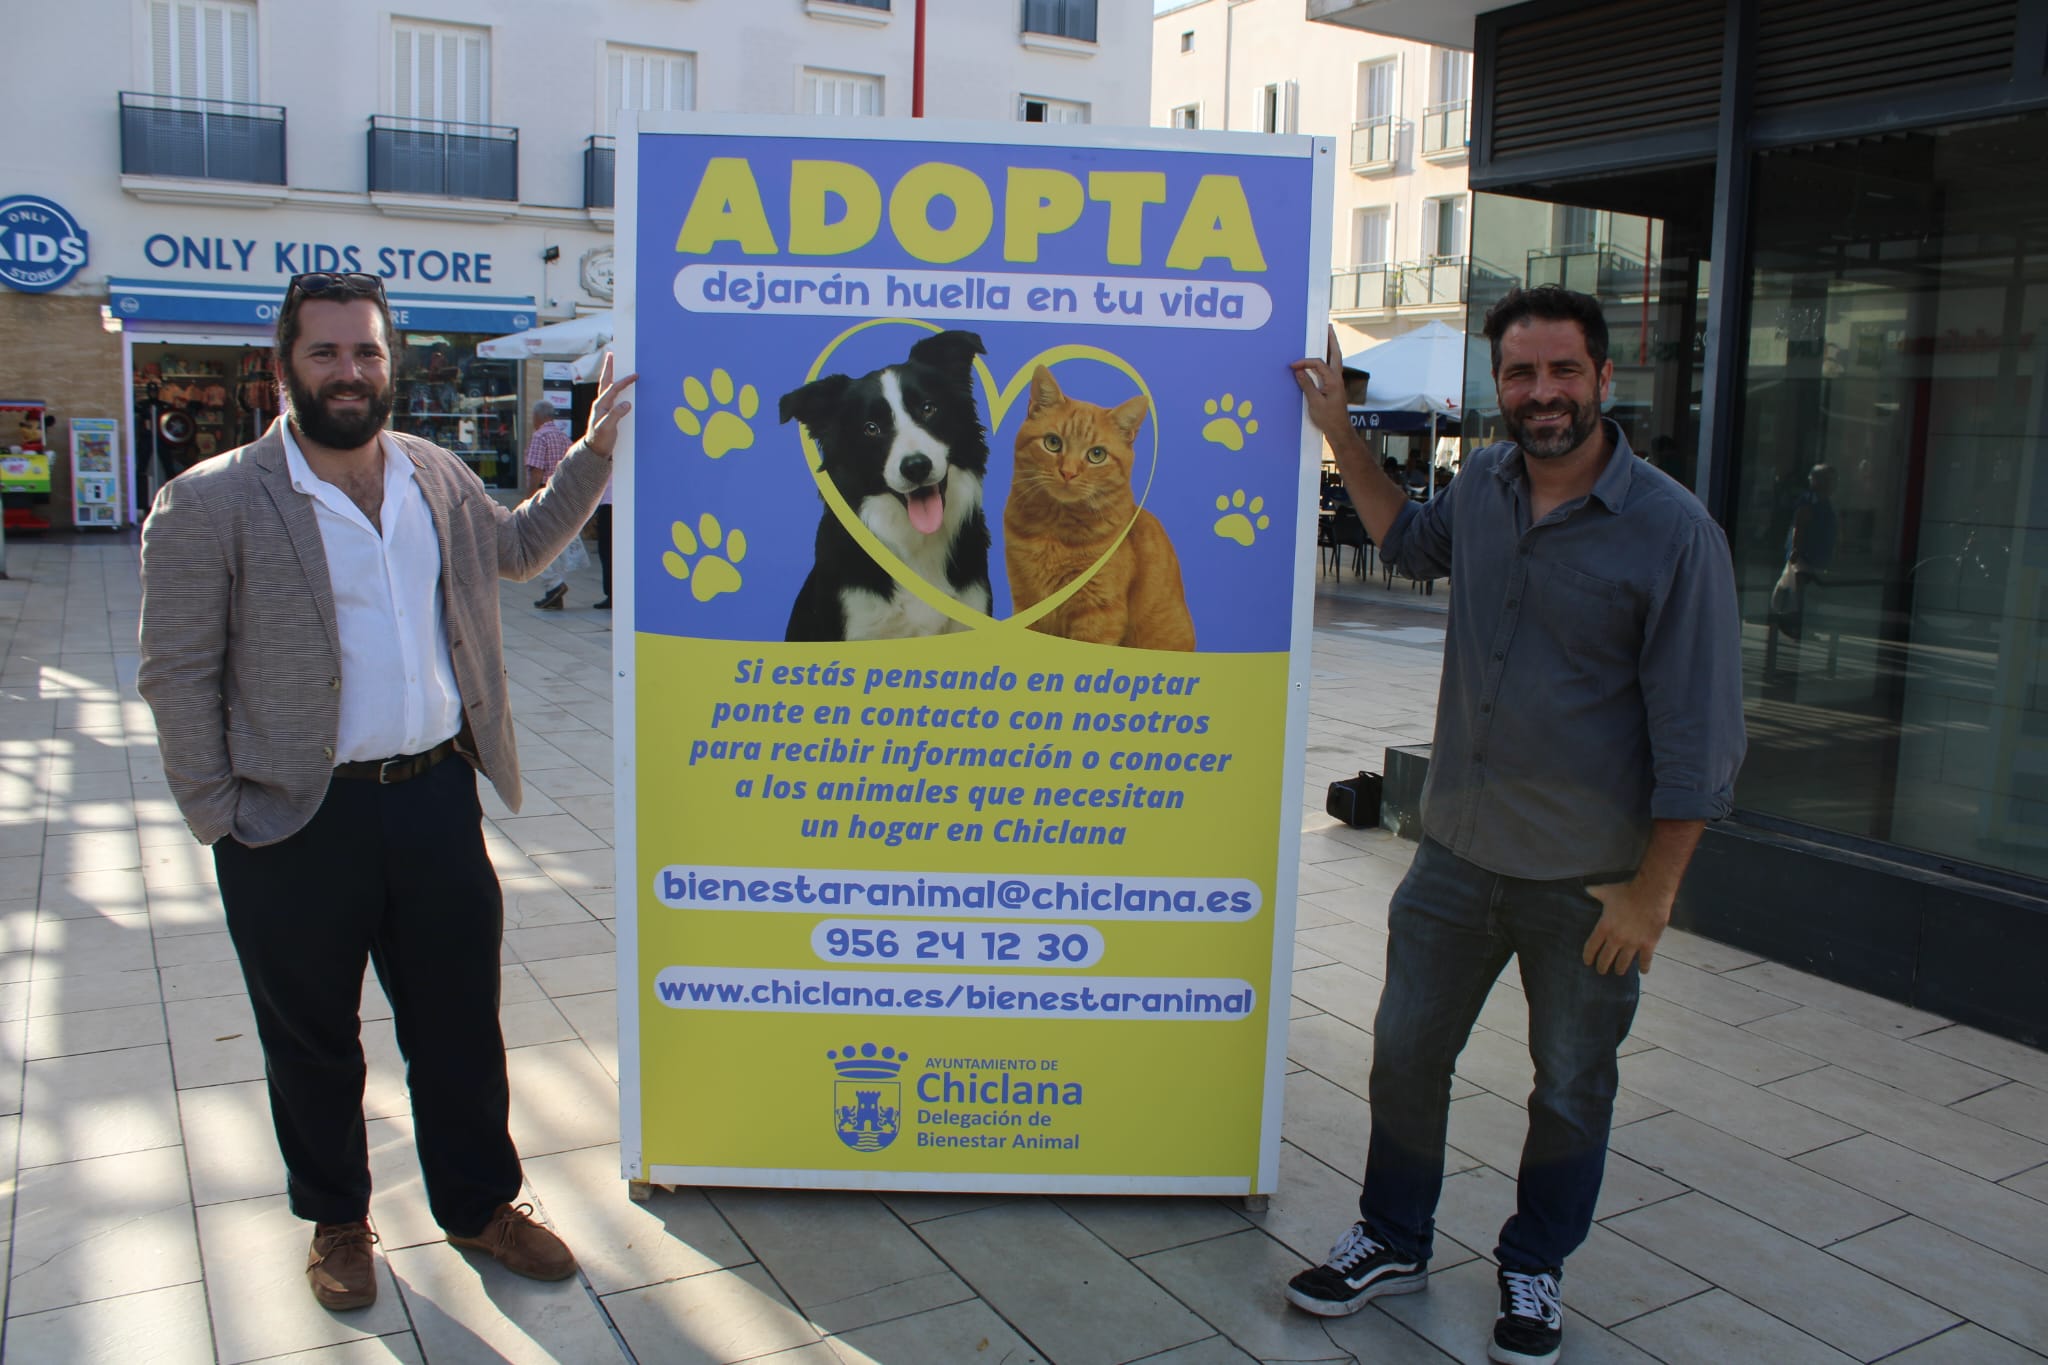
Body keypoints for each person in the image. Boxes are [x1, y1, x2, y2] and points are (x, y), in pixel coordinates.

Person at [136, 270, 636, 1313]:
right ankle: (337, 1222)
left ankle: (480, 1204)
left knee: (458, 1020)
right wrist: (217, 814)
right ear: (285, 370)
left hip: (433, 800)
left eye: (365, 352)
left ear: (389, 363)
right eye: (325, 353)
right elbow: (175, 670)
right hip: (292, 819)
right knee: (312, 1037)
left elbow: (520, 548)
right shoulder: (212, 499)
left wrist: (592, 453)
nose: (349, 371)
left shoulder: (433, 475)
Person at [1286, 285, 1744, 1365]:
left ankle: (1533, 1265)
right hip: (1452, 854)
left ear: (1601, 379)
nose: (1540, 394)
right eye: (1520, 375)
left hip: (1585, 885)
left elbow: (1700, 737)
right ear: (1497, 387)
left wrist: (1651, 894)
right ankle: (1392, 1237)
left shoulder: (1671, 534)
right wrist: (1341, 436)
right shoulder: (1485, 485)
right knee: (1403, 1056)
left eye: (1561, 372)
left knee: (1571, 1087)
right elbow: (1404, 540)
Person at [524, 400, 576, 609]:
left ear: (538, 417)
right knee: (556, 542)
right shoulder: (564, 437)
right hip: (562, 494)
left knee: (536, 542)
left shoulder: (540, 437)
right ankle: (555, 589)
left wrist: (529, 498)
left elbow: (536, 470)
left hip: (543, 493)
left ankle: (554, 585)